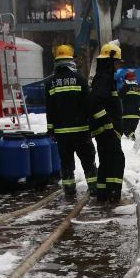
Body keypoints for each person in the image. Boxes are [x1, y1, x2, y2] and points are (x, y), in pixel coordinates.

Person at [45, 44, 97, 197]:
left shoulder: (50, 83)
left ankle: (69, 191)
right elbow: (88, 105)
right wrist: (91, 125)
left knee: (66, 163)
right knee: (88, 160)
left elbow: (50, 109)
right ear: (71, 61)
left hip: (62, 134)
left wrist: (51, 130)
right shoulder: (80, 80)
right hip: (81, 131)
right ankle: (94, 188)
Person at [89, 41, 126, 204]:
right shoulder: (103, 78)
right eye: (117, 61)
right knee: (117, 159)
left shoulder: (104, 77)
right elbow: (95, 103)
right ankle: (113, 192)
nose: (118, 65)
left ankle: (103, 192)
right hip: (106, 129)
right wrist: (108, 124)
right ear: (110, 61)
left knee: (106, 160)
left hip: (105, 129)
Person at [119, 70, 140, 138]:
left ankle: (132, 136)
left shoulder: (125, 87)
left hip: (127, 112)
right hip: (137, 113)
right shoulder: (139, 87)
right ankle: (133, 136)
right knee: (132, 129)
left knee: (125, 129)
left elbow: (119, 95)